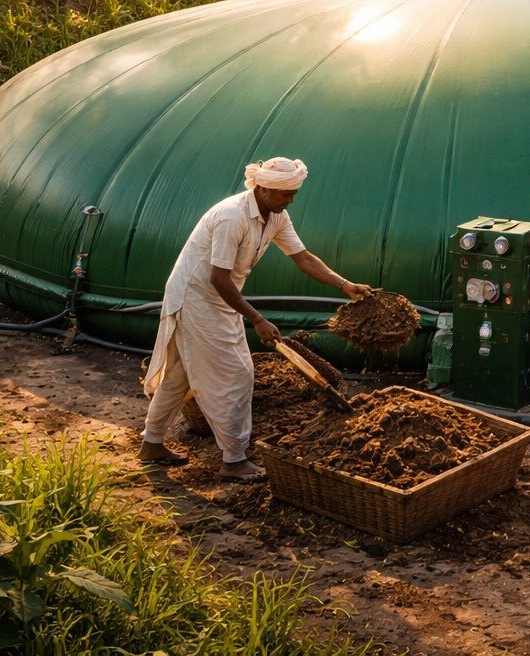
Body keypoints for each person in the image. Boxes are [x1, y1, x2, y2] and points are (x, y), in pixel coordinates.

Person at [137, 157, 372, 481]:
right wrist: (257, 319)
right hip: (196, 298)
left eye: (293, 193)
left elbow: (303, 258)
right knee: (237, 375)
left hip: (219, 298)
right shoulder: (232, 217)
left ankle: (151, 443)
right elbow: (218, 278)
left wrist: (344, 284)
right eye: (285, 193)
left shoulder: (276, 216)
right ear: (262, 189)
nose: (290, 200)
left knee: (180, 375)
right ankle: (233, 460)